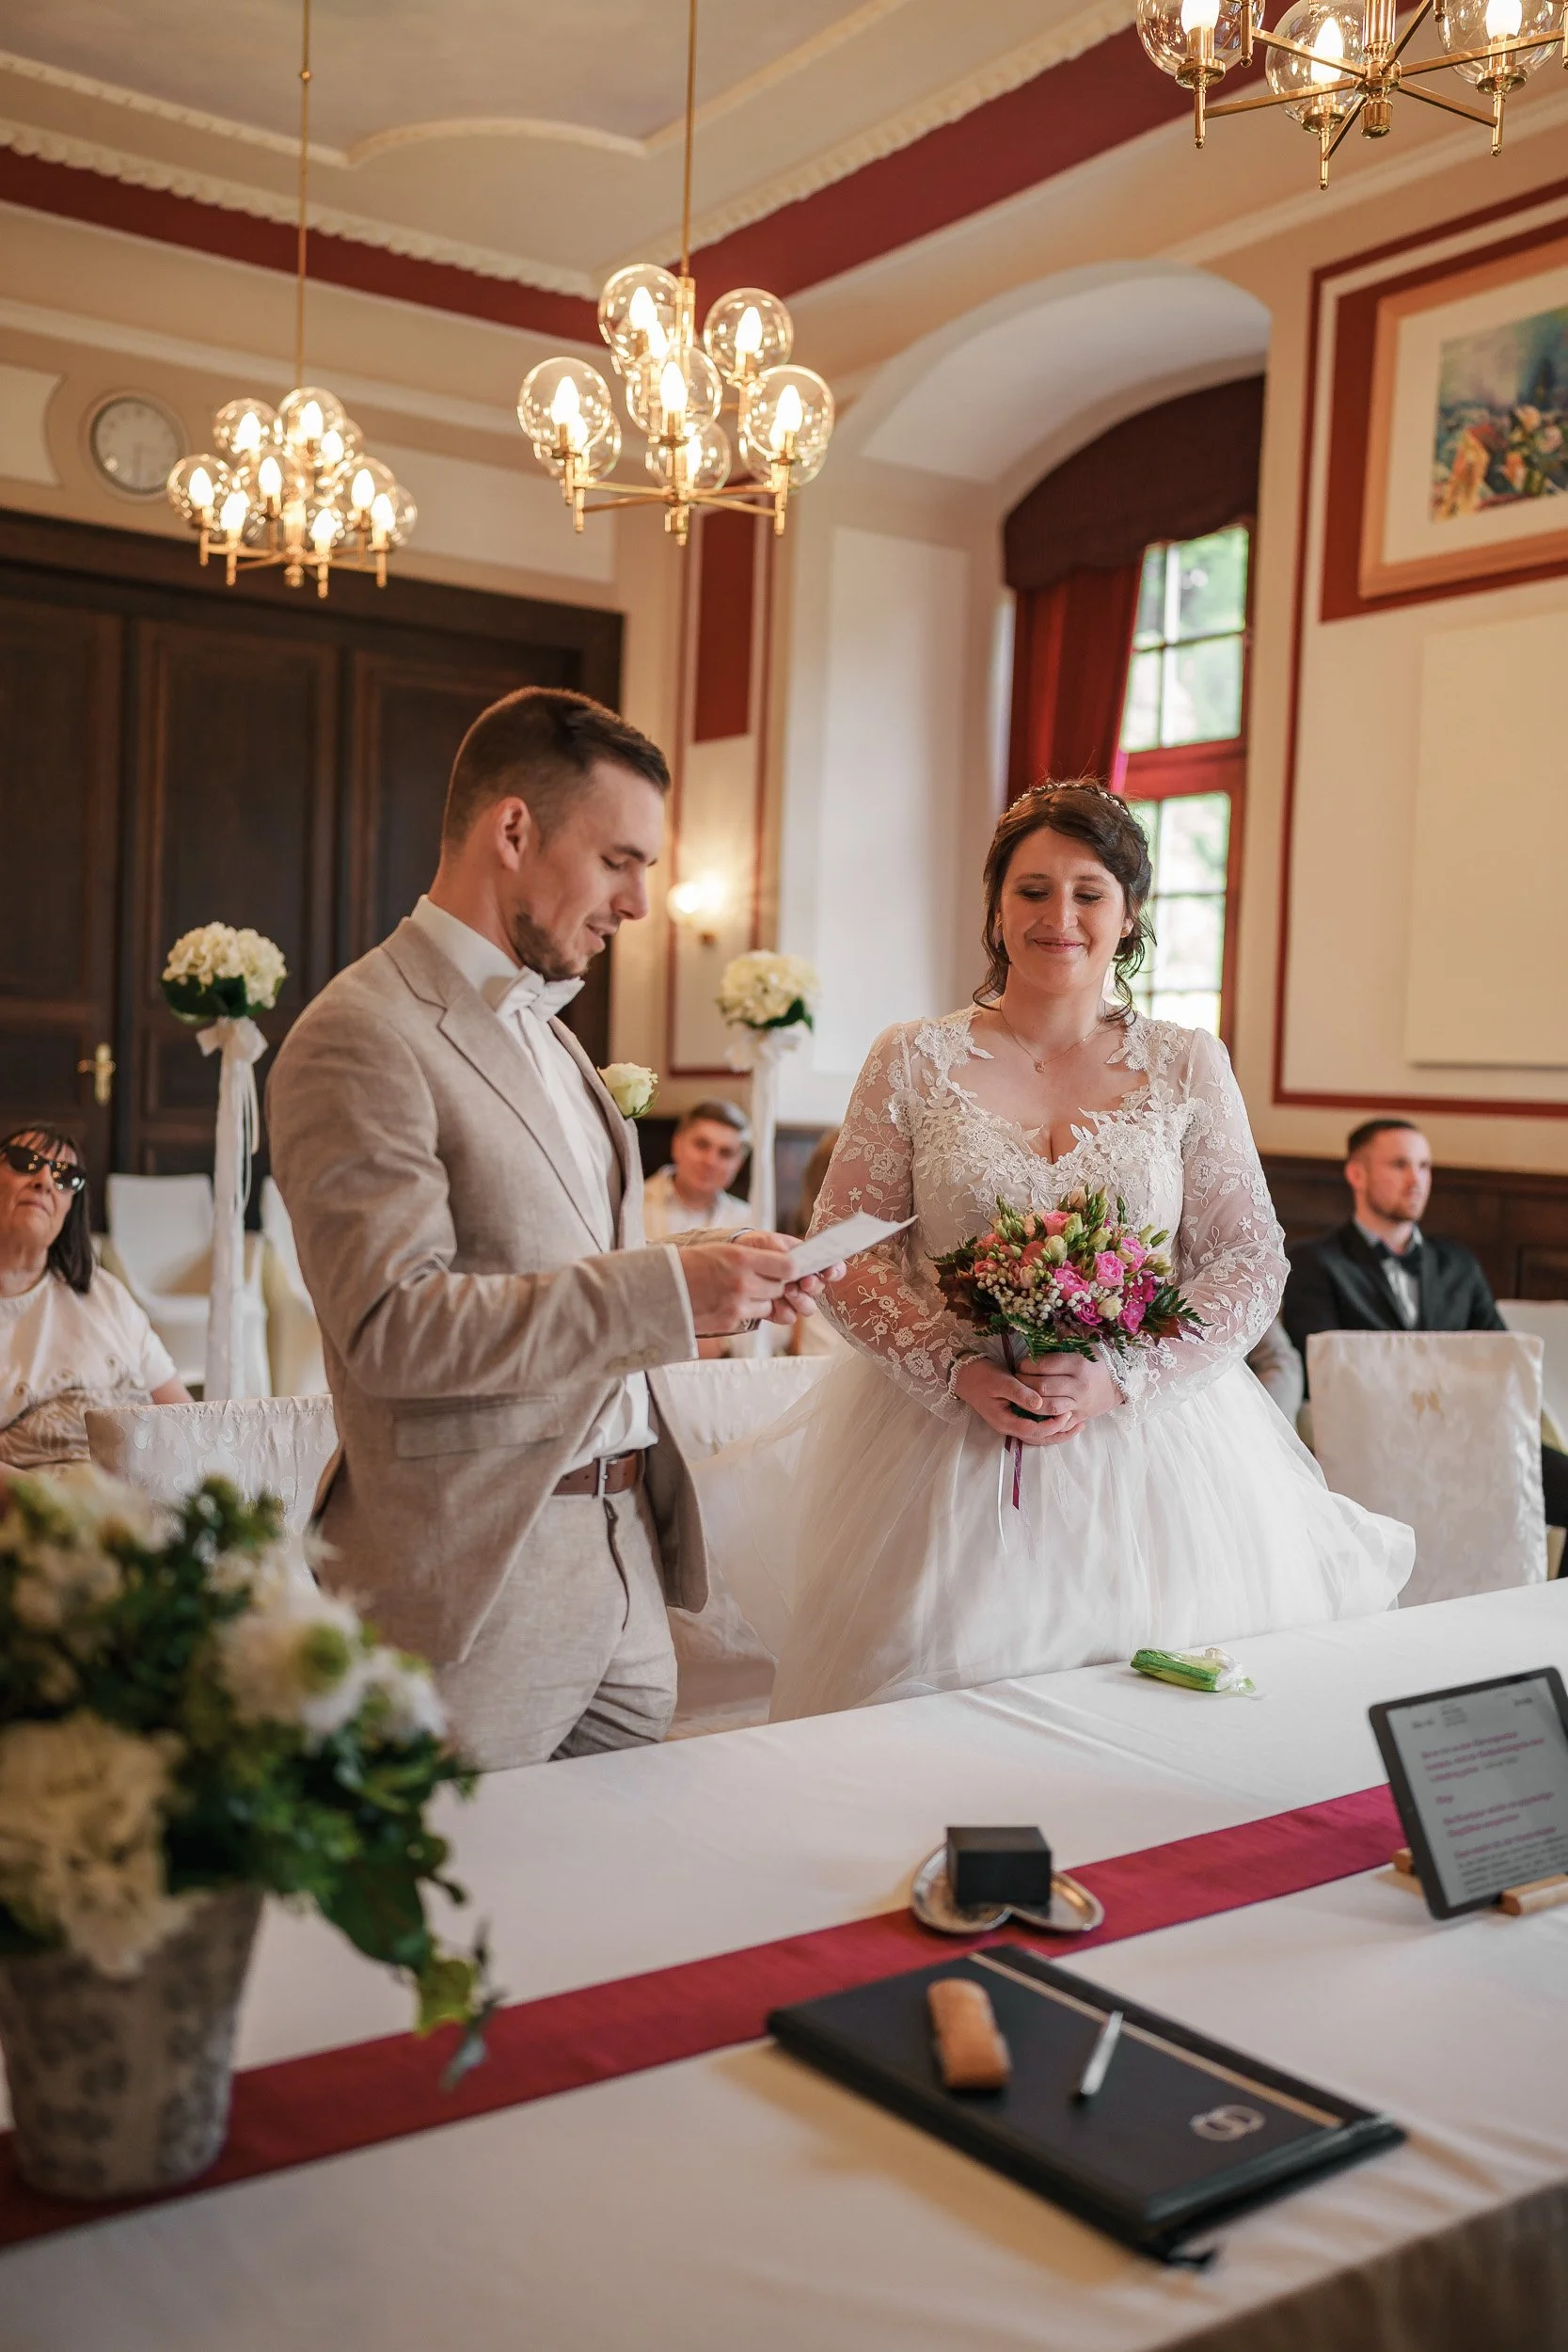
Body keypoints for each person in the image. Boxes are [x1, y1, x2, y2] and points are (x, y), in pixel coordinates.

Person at [693, 782, 1412, 1718]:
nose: (1057, 917)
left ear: (1127, 914)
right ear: (995, 905)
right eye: (1031, 889)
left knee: (1154, 1712)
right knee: (930, 1716)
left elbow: (1246, 1257)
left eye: (1087, 892)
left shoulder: (1187, 1061)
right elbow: (847, 1253)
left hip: (1152, 1450)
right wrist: (953, 1366)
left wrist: (1124, 1373)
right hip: (942, 1446)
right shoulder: (910, 1058)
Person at [266, 687, 835, 1772]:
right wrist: (666, 1297)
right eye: (620, 860)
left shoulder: (556, 1035)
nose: (637, 903)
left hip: (625, 1564)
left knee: (618, 1919)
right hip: (473, 1583)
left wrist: (705, 1269)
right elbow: (393, 1327)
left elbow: (557, 1271)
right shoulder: (360, 1033)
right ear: (514, 829)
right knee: (448, 1923)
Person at [1282, 1117, 1568, 1531]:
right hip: (1374, 1443)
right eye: (1400, 1165)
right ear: (1357, 1174)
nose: (1416, 1179)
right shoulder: (1316, 1262)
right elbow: (1321, 1367)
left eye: (1424, 1166)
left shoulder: (1459, 1264)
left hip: (1474, 1437)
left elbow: (1502, 1357)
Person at [0, 1126, 190, 1475]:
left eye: (65, 1176)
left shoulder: (105, 1292)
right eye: (26, 1162)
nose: (44, 1179)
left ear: (72, 1206)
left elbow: (183, 1417)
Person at [641, 1102, 752, 1242]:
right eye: (701, 1145)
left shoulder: (749, 1222)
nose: (710, 1161)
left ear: (739, 1164)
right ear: (676, 1145)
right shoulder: (631, 1203)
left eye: (725, 1153)